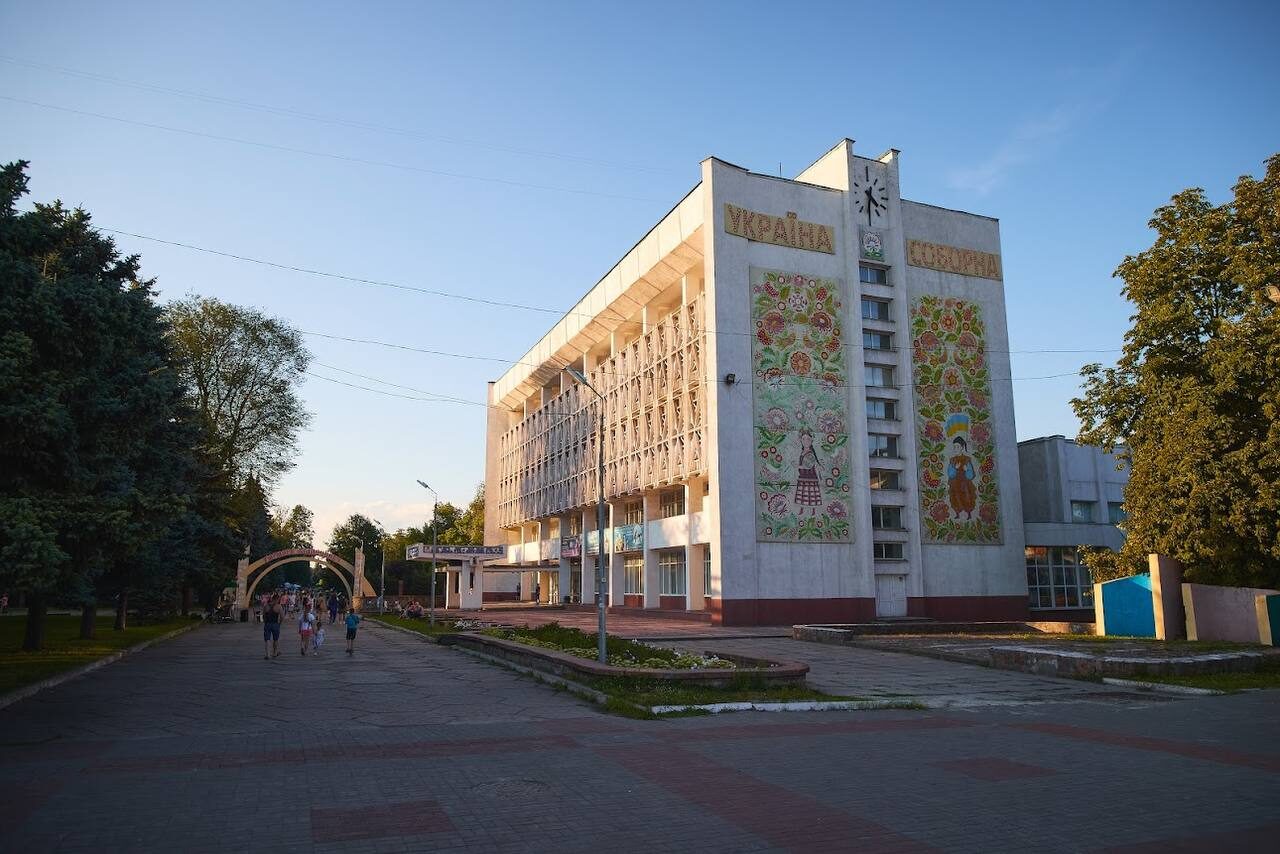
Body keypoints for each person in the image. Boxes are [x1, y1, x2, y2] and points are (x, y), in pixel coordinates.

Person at [262, 594, 282, 660]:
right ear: (276, 599)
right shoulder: (278, 606)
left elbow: (263, 615)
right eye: (278, 599)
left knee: (267, 639)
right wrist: (279, 623)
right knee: (275, 639)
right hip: (275, 624)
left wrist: (265, 622)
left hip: (268, 624)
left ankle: (268, 654)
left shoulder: (266, 606)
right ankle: (275, 653)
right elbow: (282, 616)